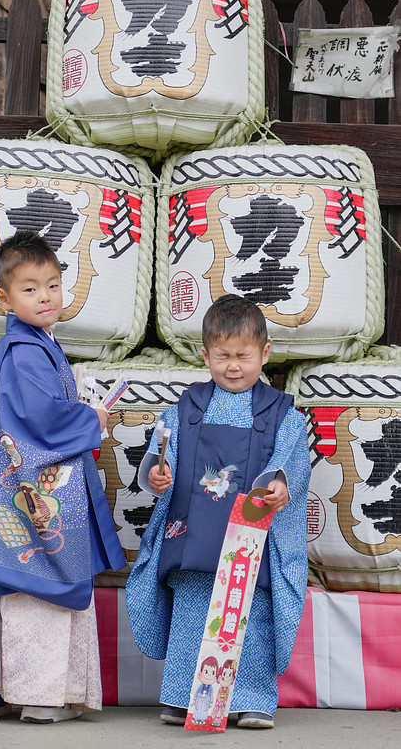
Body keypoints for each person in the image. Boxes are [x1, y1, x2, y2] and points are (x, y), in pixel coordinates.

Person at [0, 230, 125, 724]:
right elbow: (42, 420)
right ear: (4, 298)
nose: (45, 296)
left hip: (4, 486)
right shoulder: (26, 351)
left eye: (52, 285)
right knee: (41, 583)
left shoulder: (24, 345)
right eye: (30, 288)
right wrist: (91, 419)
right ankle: (42, 698)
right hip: (29, 488)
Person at [126, 294, 310, 729]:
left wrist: (281, 485)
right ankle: (182, 696)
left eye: (243, 356)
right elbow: (161, 454)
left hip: (251, 536)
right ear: (205, 354)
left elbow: (292, 461)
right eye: (223, 356)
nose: (233, 366)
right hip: (195, 532)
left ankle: (251, 699)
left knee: (251, 614)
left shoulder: (282, 414)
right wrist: (156, 473)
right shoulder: (184, 409)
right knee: (191, 612)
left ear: (264, 353)